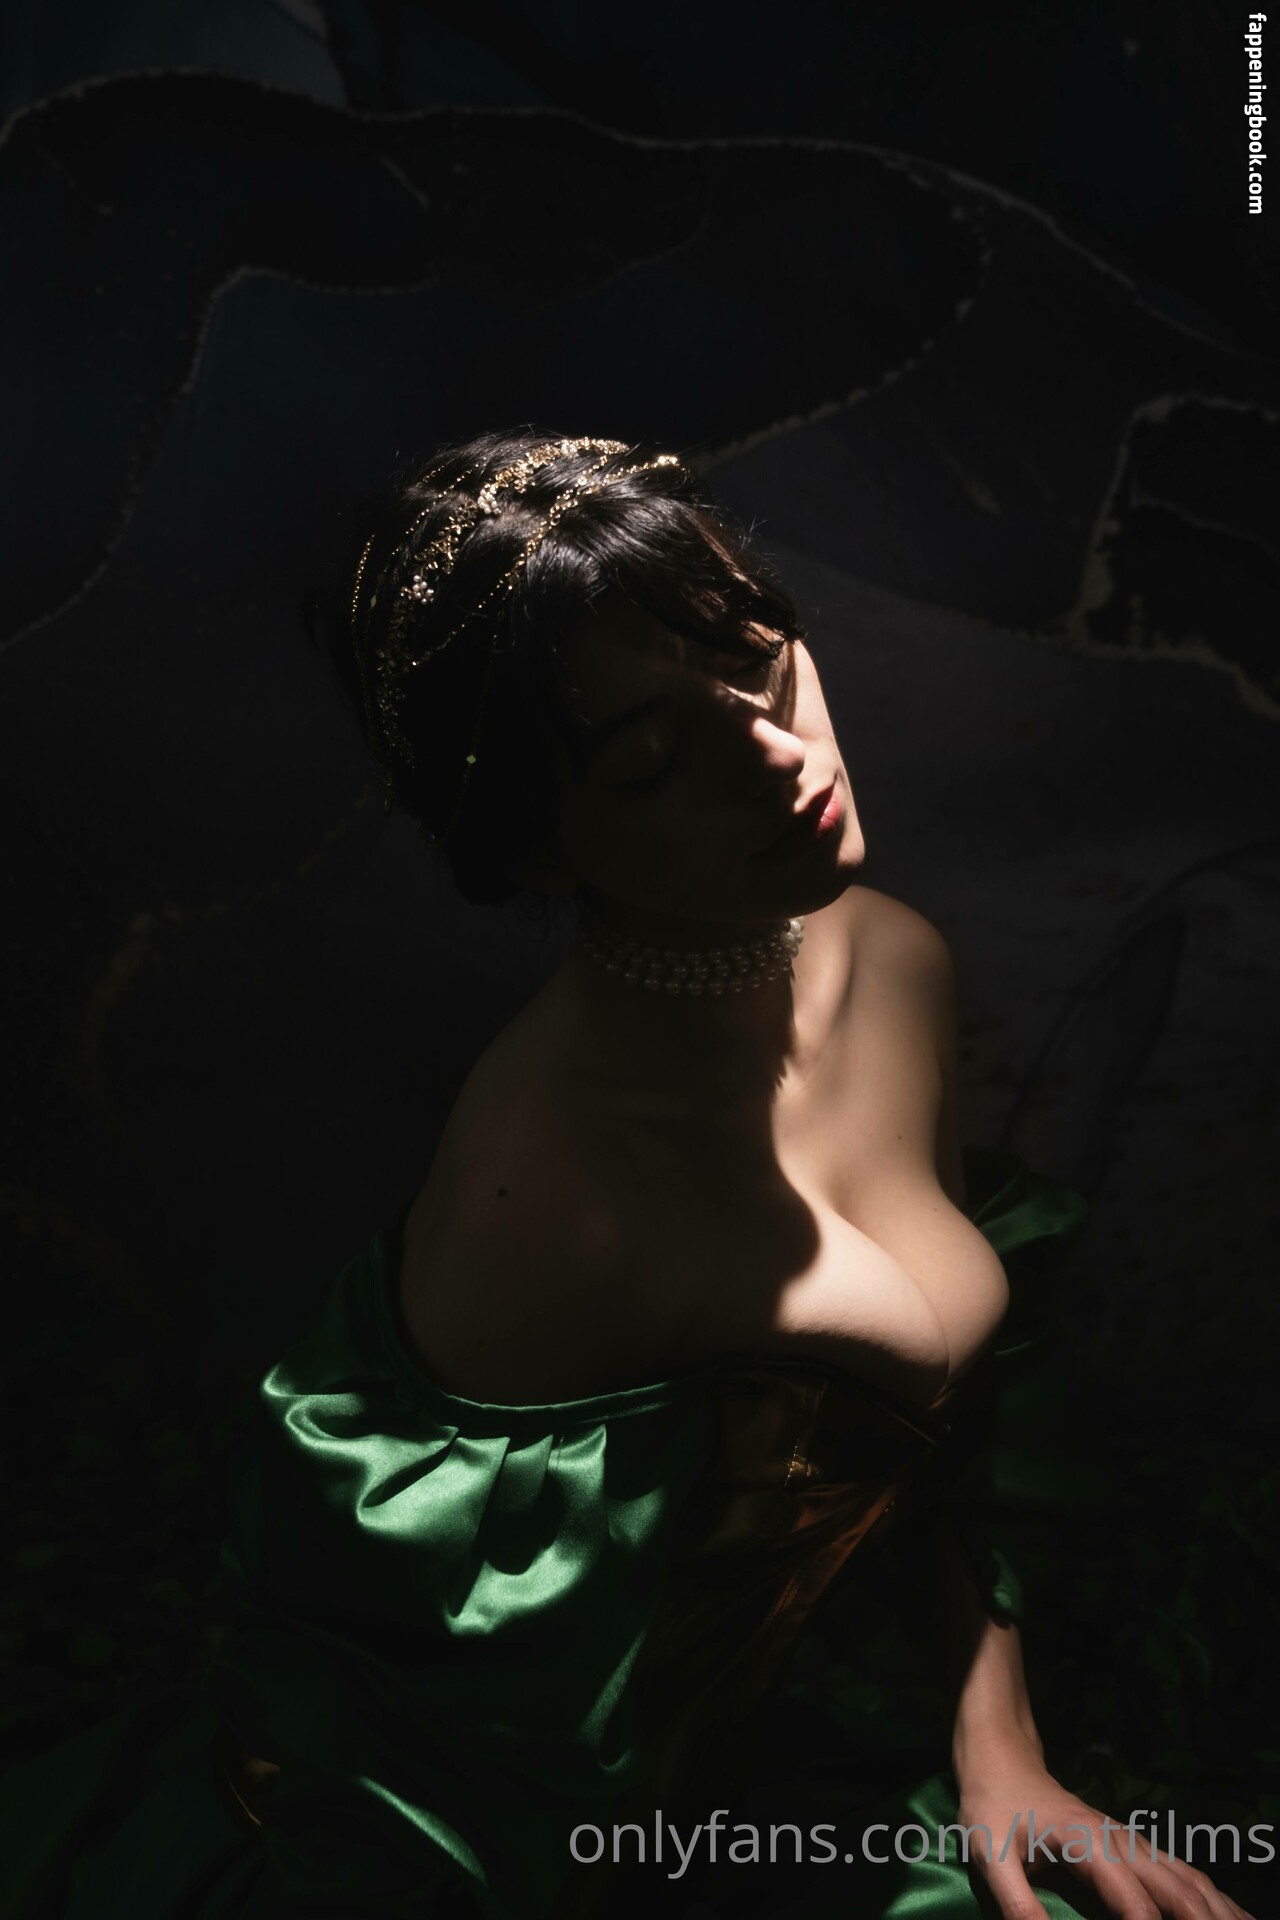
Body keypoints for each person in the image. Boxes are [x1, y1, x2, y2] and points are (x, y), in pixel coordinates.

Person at [0, 431, 1254, 1920]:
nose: (780, 761)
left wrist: (1005, 1753)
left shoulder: (893, 960)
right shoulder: (558, 1200)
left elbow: (944, 1431)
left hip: (797, 1736)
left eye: (758, 658)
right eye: (655, 760)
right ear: (533, 847)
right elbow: (426, 1732)